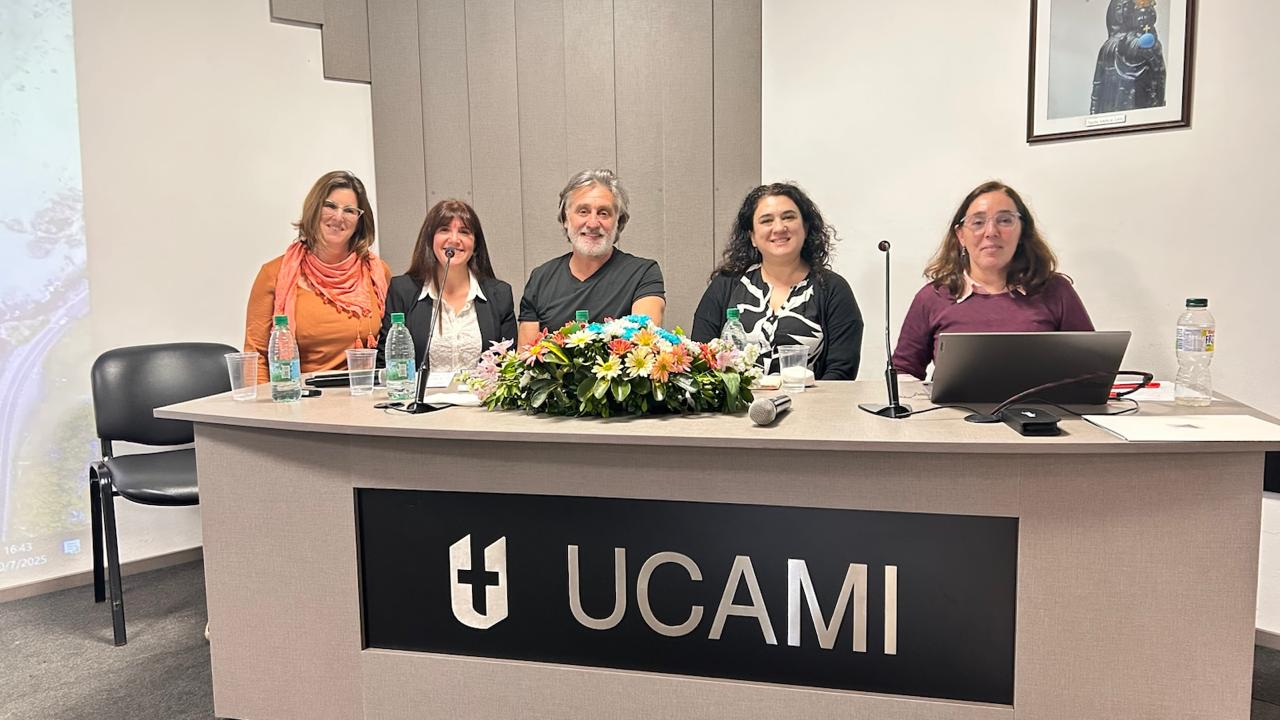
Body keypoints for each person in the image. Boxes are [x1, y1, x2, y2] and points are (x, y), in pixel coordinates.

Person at [891, 180, 1094, 381]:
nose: (991, 232)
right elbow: (903, 371)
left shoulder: (1055, 291)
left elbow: (1093, 368)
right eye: (978, 222)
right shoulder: (932, 297)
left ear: (1022, 231)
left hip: (1042, 404)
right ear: (961, 236)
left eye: (1004, 220)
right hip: (955, 404)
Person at [691, 182, 863, 380]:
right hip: (735, 401)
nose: (779, 228)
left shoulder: (833, 289)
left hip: (812, 400)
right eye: (766, 220)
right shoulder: (726, 284)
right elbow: (701, 358)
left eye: (788, 217)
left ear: (806, 228)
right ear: (752, 237)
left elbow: (841, 372)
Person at [244, 170, 391, 382]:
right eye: (330, 206)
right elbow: (256, 356)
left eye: (349, 210)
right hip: (300, 396)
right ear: (314, 209)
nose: (338, 217)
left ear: (360, 221)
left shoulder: (377, 271)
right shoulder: (273, 274)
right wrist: (269, 401)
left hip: (364, 393)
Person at [518, 169, 665, 346]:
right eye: (583, 211)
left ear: (618, 221)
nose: (593, 223)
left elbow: (644, 345)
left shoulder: (642, 274)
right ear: (565, 219)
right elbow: (526, 356)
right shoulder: (541, 279)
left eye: (603, 213)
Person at [377, 199, 516, 373]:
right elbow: (385, 363)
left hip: (480, 391)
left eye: (464, 232)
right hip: (421, 391)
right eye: (444, 230)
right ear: (430, 240)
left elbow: (509, 366)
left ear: (475, 245)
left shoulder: (500, 294)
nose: (454, 239)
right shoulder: (403, 290)